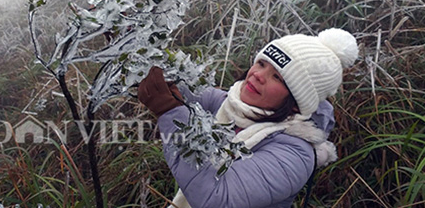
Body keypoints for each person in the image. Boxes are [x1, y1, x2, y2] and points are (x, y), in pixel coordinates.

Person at [138, 28, 359, 208]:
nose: (258, 75)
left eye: (278, 78)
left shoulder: (294, 155)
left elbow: (218, 198)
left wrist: (169, 111)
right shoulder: (232, 105)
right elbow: (181, 89)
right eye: (262, 63)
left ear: (296, 102)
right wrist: (137, 49)